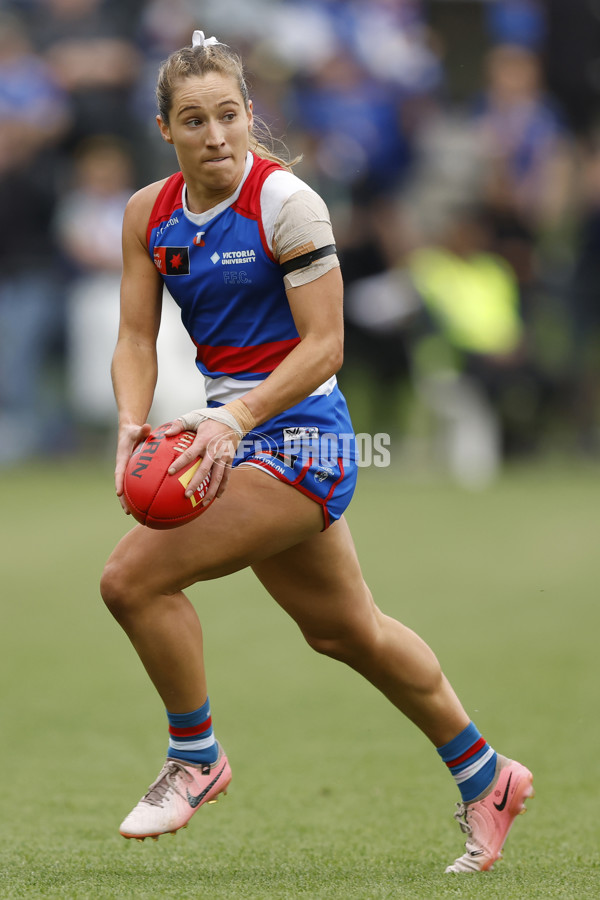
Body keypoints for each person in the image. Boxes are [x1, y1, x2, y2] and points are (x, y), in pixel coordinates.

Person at [100, 30, 534, 873]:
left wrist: (231, 420)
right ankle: (489, 776)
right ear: (166, 130)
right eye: (194, 120)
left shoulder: (286, 202)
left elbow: (325, 347)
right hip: (233, 432)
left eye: (229, 114)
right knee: (347, 632)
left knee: (131, 579)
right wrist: (130, 420)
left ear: (250, 115)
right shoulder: (146, 214)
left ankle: (196, 757)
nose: (216, 135)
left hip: (303, 437)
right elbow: (132, 335)